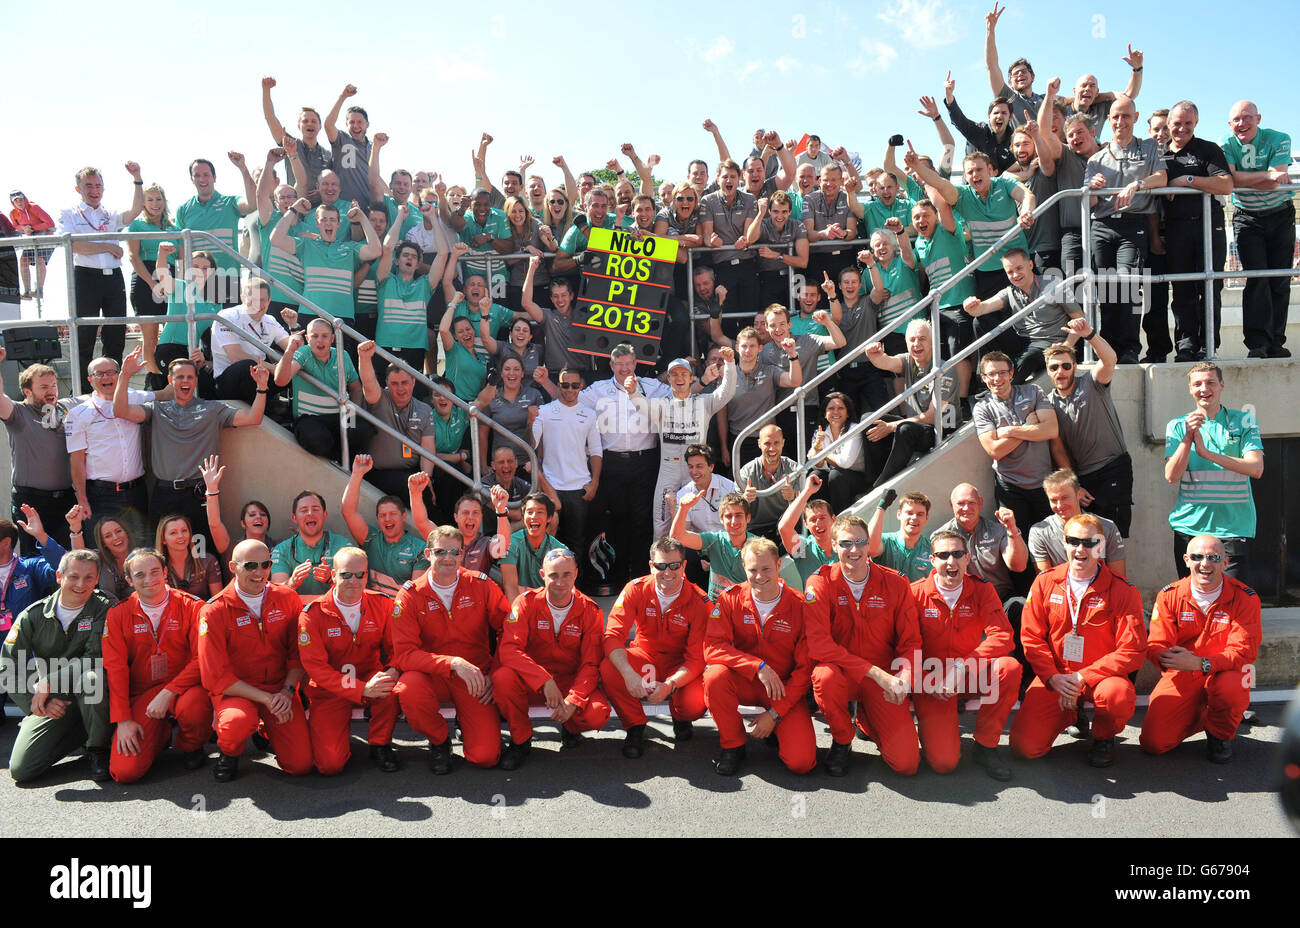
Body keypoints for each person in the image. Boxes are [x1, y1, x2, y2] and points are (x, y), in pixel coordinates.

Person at [1009, 514, 1146, 768]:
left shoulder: (1123, 590)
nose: (1080, 548)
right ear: (1064, 543)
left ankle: (1104, 736)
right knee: (1024, 748)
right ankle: (1072, 714)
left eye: (1089, 542)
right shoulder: (1045, 582)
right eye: (1073, 541)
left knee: (1117, 696)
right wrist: (1052, 677)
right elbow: (1031, 637)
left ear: (1101, 546)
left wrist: (1083, 677)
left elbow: (1133, 650)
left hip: (1100, 679)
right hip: (1057, 677)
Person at [115, 347, 270, 545]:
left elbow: (253, 418)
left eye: (190, 377)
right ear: (171, 381)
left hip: (200, 494)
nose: (185, 381)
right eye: (180, 377)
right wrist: (125, 375)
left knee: (202, 552)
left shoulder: (213, 409)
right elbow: (120, 410)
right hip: (165, 493)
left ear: (196, 380)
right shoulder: (157, 410)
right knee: (162, 553)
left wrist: (262, 387)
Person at [804, 515, 919, 777]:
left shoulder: (896, 583)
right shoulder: (820, 583)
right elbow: (819, 644)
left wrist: (904, 677)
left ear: (869, 545)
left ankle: (866, 720)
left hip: (883, 678)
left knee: (907, 764)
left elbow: (910, 641)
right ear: (833, 546)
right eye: (846, 543)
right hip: (844, 673)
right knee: (824, 676)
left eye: (860, 542)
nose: (854, 550)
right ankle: (843, 739)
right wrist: (876, 673)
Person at [391, 525, 510, 773]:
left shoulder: (480, 585)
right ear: (427, 554)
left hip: (475, 677)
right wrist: (452, 663)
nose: (447, 558)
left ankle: (468, 723)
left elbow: (509, 631)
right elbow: (404, 654)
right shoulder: (410, 595)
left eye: (454, 552)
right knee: (408, 688)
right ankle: (439, 740)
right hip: (432, 675)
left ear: (461, 554)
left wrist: (494, 673)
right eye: (440, 552)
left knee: (485, 757)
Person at [1140, 535, 1262, 763]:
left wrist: (1202, 663)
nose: (1205, 564)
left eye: (1213, 557)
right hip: (1183, 672)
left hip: (1226, 671)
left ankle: (1219, 735)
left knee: (1233, 685)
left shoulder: (1246, 598)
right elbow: (1156, 644)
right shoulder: (1169, 595)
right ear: (1186, 560)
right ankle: (1202, 715)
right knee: (1153, 743)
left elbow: (1244, 652)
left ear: (1225, 563)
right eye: (1197, 557)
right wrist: (1165, 658)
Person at [910, 529, 1020, 780]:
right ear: (932, 560)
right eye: (943, 555)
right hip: (932, 682)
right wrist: (928, 677)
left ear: (968, 558)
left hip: (968, 674)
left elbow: (1002, 636)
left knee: (1009, 667)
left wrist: (963, 668)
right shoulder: (914, 593)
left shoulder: (982, 590)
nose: (951, 561)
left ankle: (986, 746)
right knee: (944, 763)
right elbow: (904, 644)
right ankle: (932, 731)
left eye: (958, 554)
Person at [198, 539, 310, 782]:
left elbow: (297, 655)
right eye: (250, 566)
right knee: (237, 723)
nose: (259, 572)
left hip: (279, 689)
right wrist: (268, 699)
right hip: (236, 691)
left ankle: (265, 728)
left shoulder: (288, 598)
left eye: (265, 564)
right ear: (232, 567)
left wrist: (287, 693)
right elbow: (215, 676)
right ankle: (229, 752)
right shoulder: (214, 610)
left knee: (300, 765)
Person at [704, 537, 816, 777]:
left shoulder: (799, 605)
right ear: (744, 568)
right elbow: (713, 647)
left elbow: (805, 669)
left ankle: (776, 728)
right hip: (747, 680)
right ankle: (733, 745)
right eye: (752, 569)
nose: (759, 576)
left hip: (782, 689)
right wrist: (757, 666)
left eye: (766, 568)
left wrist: (775, 714)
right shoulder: (730, 598)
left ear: (778, 566)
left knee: (802, 763)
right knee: (714, 677)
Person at [492, 548, 610, 770]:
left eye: (566, 574)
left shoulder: (590, 610)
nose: (560, 581)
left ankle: (571, 726)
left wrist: (573, 701)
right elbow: (509, 650)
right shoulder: (525, 603)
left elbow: (591, 663)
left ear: (576, 574)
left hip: (568, 682)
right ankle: (521, 740)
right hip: (533, 682)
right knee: (503, 678)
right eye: (553, 575)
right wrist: (544, 680)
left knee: (597, 714)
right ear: (542, 575)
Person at [2, 549, 112, 782]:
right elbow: (7, 665)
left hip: (91, 691)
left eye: (89, 577)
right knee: (21, 770)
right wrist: (33, 702)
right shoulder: (33, 615)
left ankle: (97, 749)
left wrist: (50, 680)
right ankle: (81, 730)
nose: (81, 584)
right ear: (59, 577)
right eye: (73, 576)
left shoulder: (104, 606)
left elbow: (96, 656)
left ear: (97, 578)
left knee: (93, 679)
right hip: (54, 698)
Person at [101, 548, 210, 782]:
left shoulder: (193, 606)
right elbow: (115, 669)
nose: (148, 580)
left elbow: (202, 658)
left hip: (183, 689)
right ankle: (159, 735)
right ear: (129, 580)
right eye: (140, 575)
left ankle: (191, 745)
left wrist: (169, 692)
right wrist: (123, 720)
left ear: (165, 572)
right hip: (143, 696)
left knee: (196, 704)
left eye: (154, 572)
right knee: (125, 773)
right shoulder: (118, 614)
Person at [601, 538, 711, 758]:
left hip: (680, 665)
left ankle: (681, 718)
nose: (667, 572)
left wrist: (669, 686)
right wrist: (629, 674)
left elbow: (698, 658)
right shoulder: (635, 589)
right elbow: (612, 636)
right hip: (645, 658)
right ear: (651, 566)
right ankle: (635, 726)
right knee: (609, 668)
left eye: (674, 565)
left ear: (684, 566)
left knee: (694, 702)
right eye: (661, 565)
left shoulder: (701, 602)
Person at [297, 547, 401, 775]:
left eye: (360, 575)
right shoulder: (312, 614)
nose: (353, 581)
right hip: (330, 690)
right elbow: (316, 669)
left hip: (368, 675)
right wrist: (362, 689)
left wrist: (392, 672)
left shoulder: (382, 604)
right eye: (345, 575)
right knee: (329, 766)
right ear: (333, 575)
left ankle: (380, 744)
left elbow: (397, 649)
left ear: (366, 575)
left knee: (391, 688)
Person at [578, 344, 671, 587]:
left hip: (646, 461)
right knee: (617, 519)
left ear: (635, 364)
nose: (624, 369)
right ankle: (619, 577)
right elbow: (571, 402)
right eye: (619, 364)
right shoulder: (598, 390)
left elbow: (678, 395)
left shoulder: (651, 387)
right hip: (612, 463)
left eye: (629, 364)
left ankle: (641, 576)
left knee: (643, 520)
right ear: (611, 366)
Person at [1084, 93, 1168, 363]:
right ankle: (1110, 349)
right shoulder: (1096, 158)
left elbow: (1162, 178)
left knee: (1128, 284)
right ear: (1108, 120)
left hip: (1133, 225)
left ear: (1136, 118)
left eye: (1126, 116)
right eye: (1116, 117)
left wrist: (1138, 184)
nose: (1121, 121)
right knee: (1108, 290)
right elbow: (1090, 204)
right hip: (1102, 226)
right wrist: (1092, 188)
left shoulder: (1149, 147)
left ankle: (1130, 348)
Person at [1163, 362, 1264, 578]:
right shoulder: (1178, 425)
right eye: (1197, 384)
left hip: (1234, 528)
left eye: (1210, 382)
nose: (1204, 389)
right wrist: (1188, 438)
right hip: (1190, 527)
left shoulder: (1244, 420)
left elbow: (1256, 468)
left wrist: (1207, 454)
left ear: (1221, 385)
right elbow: (1171, 475)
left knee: (1230, 600)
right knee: (1192, 599)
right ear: (1190, 389)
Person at [58, 162, 145, 393]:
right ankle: (83, 392)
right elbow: (72, 245)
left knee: (115, 334)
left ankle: (114, 388)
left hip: (113, 278)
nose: (94, 190)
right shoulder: (68, 214)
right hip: (85, 277)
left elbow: (135, 211)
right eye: (88, 186)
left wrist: (137, 179)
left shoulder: (110, 214)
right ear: (79, 189)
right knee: (84, 336)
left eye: (98, 186)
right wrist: (106, 245)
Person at [632, 351, 736, 540]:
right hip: (668, 469)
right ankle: (662, 565)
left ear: (691, 378)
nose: (679, 378)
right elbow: (641, 406)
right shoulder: (661, 404)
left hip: (695, 471)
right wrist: (632, 392)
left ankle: (695, 564)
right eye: (674, 375)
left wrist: (729, 365)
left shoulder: (704, 402)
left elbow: (726, 392)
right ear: (669, 379)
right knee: (661, 525)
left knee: (695, 522)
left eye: (683, 374)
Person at [907, 147, 1034, 301]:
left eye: (979, 169)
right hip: (987, 271)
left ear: (989, 170)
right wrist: (918, 167)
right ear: (965, 176)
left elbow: (1027, 195)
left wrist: (1026, 212)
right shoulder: (963, 195)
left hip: (1018, 266)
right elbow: (941, 184)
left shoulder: (1004, 182)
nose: (975, 175)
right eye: (970, 172)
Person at [1043, 324, 1133, 536]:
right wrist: (1074, 486)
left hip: (1113, 470)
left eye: (1066, 366)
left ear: (1074, 366)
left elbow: (1110, 360)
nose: (1060, 371)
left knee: (1112, 540)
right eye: (1054, 367)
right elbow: (1058, 450)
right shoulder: (1047, 403)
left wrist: (1090, 335)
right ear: (1047, 371)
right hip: (1082, 479)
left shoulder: (1092, 383)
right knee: (1087, 539)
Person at [1222, 100, 1293, 359]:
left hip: (1280, 215)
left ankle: (1276, 341)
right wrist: (1266, 177)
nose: (1242, 124)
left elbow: (1278, 177)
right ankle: (1257, 343)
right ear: (1230, 124)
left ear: (1258, 118)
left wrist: (1247, 179)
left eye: (1247, 118)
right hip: (1247, 217)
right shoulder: (1226, 144)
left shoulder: (1279, 138)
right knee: (1256, 278)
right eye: (1237, 120)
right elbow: (1230, 180)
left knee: (1280, 279)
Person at [1162, 102, 1233, 361]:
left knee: (1210, 286)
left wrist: (1188, 180)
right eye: (1177, 123)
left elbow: (1226, 184)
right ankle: (1186, 345)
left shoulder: (1207, 150)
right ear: (1169, 123)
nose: (1182, 128)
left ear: (1195, 124)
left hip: (1207, 226)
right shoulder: (1158, 154)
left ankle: (1208, 345)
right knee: (1181, 290)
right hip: (1176, 229)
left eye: (1188, 123)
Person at [64, 355, 158, 539]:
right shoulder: (77, 414)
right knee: (102, 552)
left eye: (111, 372)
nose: (106, 378)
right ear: (90, 380)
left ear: (119, 375)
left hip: (136, 492)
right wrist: (82, 499)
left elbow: (164, 394)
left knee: (141, 551)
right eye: (99, 374)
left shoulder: (135, 397)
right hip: (101, 496)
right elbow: (77, 460)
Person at [962, 249, 1085, 381]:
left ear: (1030, 265)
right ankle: (989, 373)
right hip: (1022, 341)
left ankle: (1004, 386)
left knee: (1029, 357)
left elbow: (1079, 318)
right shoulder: (1009, 291)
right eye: (1010, 272)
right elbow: (982, 309)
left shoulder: (1054, 284)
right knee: (980, 321)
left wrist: (1066, 347)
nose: (1015, 275)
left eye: (1019, 268)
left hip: (1049, 343)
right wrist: (970, 305)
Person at [862, 319, 958, 489]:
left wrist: (891, 426)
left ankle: (880, 485)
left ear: (933, 342)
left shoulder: (945, 369)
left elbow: (932, 417)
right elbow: (887, 362)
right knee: (868, 419)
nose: (916, 344)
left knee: (904, 429)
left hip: (942, 430)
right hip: (918, 424)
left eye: (922, 339)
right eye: (912, 340)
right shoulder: (908, 361)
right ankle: (872, 479)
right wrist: (873, 355)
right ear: (906, 343)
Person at [971, 350, 1057, 538]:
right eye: (991, 374)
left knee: (1050, 543)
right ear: (984, 378)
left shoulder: (1033, 392)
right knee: (1017, 543)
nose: (997, 378)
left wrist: (1009, 431)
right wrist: (1028, 426)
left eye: (1002, 372)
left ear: (1011, 374)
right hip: (1010, 488)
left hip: (1045, 484)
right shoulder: (982, 408)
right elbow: (995, 450)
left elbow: (1051, 430)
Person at [0, 354, 78, 554]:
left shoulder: (64, 408)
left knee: (68, 559)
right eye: (43, 387)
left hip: (65, 501)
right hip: (31, 502)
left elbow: (98, 398)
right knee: (35, 560)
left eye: (53, 385)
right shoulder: (18, 412)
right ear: (27, 392)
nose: (51, 391)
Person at [273, 318, 373, 461]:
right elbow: (280, 381)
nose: (320, 340)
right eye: (314, 336)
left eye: (325, 336)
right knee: (317, 439)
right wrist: (289, 350)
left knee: (363, 429)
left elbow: (356, 388)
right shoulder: (303, 352)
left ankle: (348, 463)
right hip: (309, 419)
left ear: (332, 338)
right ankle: (340, 460)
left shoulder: (342, 355)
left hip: (337, 417)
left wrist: (351, 414)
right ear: (307, 338)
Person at [532, 367, 602, 567]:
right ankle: (548, 589)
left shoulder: (589, 414)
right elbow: (531, 447)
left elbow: (596, 450)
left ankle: (574, 591)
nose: (569, 389)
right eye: (564, 385)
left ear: (581, 386)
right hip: (551, 488)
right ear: (559, 385)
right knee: (548, 542)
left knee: (577, 543)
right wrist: (530, 423)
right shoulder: (544, 411)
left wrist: (594, 482)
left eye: (574, 385)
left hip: (579, 489)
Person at [340, 455, 429, 596]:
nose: (387, 519)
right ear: (377, 518)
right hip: (371, 612)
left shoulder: (419, 548)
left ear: (403, 516)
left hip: (400, 611)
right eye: (382, 515)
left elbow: (414, 595)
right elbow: (348, 512)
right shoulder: (370, 539)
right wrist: (357, 473)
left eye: (393, 513)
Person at [355, 341, 435, 498]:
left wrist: (427, 477)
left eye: (405, 382)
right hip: (380, 473)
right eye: (394, 383)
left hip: (410, 471)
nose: (400, 388)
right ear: (387, 384)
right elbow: (369, 384)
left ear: (413, 382)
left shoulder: (424, 409)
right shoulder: (380, 398)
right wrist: (364, 358)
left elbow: (427, 450)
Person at [174, 154, 258, 305]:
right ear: (192, 179)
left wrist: (243, 169)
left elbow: (252, 204)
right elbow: (181, 249)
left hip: (227, 276)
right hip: (196, 279)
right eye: (197, 175)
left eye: (206, 175)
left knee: (228, 327)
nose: (202, 179)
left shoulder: (230, 202)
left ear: (214, 177)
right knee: (199, 328)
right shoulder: (183, 210)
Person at [933, 483, 1027, 605]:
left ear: (980, 503)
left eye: (971, 502)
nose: (966, 508)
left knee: (1022, 606)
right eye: (960, 503)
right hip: (965, 603)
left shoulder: (997, 530)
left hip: (1001, 599)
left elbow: (1019, 566)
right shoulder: (940, 537)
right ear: (951, 505)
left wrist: (1012, 530)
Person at [725, 327, 801, 469]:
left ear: (760, 348)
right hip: (738, 441)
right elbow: (722, 414)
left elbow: (795, 381)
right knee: (742, 489)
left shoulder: (770, 371)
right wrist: (724, 446)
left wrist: (792, 355)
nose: (748, 350)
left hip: (767, 441)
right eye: (744, 346)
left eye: (752, 346)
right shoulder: (728, 374)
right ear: (737, 348)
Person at [211, 277, 295, 406]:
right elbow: (236, 357)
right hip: (229, 381)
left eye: (262, 300)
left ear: (269, 301)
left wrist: (293, 327)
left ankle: (297, 414)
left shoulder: (270, 320)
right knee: (248, 366)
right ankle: (266, 409)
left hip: (262, 375)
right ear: (243, 298)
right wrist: (276, 369)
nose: (257, 305)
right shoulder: (227, 316)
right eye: (253, 299)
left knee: (297, 367)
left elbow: (295, 349)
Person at [1028, 469, 1126, 577]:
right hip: (1060, 591)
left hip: (1101, 591)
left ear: (1079, 494)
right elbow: (1045, 581)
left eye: (1064, 498)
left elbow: (1119, 579)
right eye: (1054, 500)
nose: (1060, 505)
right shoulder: (1039, 532)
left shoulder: (1108, 527)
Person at [698, 160, 760, 320]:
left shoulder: (749, 199)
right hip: (722, 267)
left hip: (747, 264)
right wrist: (711, 240)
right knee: (727, 317)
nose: (729, 180)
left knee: (750, 314)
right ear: (718, 179)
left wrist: (745, 239)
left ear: (739, 178)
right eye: (725, 176)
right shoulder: (707, 200)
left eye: (733, 176)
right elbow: (706, 236)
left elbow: (748, 235)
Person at [671, 445, 738, 588]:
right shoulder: (683, 494)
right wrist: (700, 555)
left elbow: (735, 525)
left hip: (726, 543)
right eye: (691, 467)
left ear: (711, 467)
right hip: (700, 547)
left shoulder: (729, 487)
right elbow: (682, 534)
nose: (694, 471)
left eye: (699, 466)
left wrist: (718, 554)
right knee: (684, 554)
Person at [672, 490, 757, 602]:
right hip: (716, 611)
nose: (734, 521)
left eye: (738, 515)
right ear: (721, 519)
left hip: (746, 610)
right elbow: (677, 537)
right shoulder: (714, 540)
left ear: (748, 518)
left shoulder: (758, 546)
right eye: (728, 516)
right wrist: (684, 508)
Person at [259, 77, 332, 203]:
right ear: (299, 126)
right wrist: (266, 90)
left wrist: (322, 192)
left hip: (322, 211)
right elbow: (270, 118)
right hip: (296, 207)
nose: (309, 124)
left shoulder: (327, 154)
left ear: (320, 126)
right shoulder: (290, 144)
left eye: (314, 121)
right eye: (305, 121)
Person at [269, 491, 353, 599]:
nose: (310, 513)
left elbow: (354, 588)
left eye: (315, 509)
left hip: (333, 611)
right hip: (296, 612)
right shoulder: (281, 550)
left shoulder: (343, 546)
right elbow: (277, 593)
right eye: (304, 510)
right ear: (294, 518)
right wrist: (292, 582)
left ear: (325, 515)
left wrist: (331, 580)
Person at [736, 424, 802, 543]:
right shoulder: (746, 472)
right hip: (756, 530)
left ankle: (801, 560)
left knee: (798, 533)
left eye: (776, 443)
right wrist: (745, 501)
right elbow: (736, 510)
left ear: (783, 443)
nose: (772, 448)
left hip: (783, 526)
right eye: (767, 443)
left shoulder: (793, 468)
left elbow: (804, 507)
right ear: (759, 443)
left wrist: (793, 498)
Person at [981, 4, 1044, 126]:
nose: (1020, 74)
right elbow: (992, 66)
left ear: (1033, 77)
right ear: (1010, 83)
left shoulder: (1046, 99)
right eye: (1015, 74)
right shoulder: (1009, 98)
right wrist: (990, 31)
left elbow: (1073, 101)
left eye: (1024, 71)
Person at [499, 493, 566, 602]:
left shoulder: (560, 550)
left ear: (549, 518)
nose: (534, 516)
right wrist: (518, 616)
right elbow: (509, 586)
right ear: (523, 517)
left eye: (540, 512)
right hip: (519, 604)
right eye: (529, 512)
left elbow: (563, 590)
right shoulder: (511, 543)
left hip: (548, 605)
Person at [777, 476, 836, 584]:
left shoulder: (846, 543)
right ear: (806, 524)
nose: (818, 524)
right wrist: (807, 491)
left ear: (833, 519)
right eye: (813, 520)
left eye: (822, 518)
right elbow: (784, 528)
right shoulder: (803, 549)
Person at [323, 84, 373, 208]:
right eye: (352, 122)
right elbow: (328, 125)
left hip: (365, 207)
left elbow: (375, 176)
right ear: (346, 124)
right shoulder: (342, 140)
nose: (355, 126)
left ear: (367, 124)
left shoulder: (372, 147)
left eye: (359, 122)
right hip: (342, 208)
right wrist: (343, 97)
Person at [868, 490, 934, 582]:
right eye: (909, 513)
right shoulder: (886, 541)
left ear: (926, 518)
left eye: (920, 514)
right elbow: (870, 548)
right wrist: (882, 507)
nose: (914, 517)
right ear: (899, 514)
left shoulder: (932, 548)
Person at [155, 514, 222, 599]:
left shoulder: (208, 561)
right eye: (173, 533)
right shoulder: (157, 568)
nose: (180, 536)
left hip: (203, 611)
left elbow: (218, 601)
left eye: (184, 530)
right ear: (163, 539)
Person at [8, 190, 56, 299]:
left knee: (40, 259)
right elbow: (15, 226)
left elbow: (50, 223)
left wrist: (32, 228)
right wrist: (24, 229)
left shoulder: (34, 208)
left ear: (24, 199)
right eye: (16, 201)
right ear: (13, 203)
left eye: (21, 199)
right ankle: (27, 292)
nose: (19, 202)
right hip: (33, 240)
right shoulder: (13, 213)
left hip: (46, 238)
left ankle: (39, 290)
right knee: (23, 261)